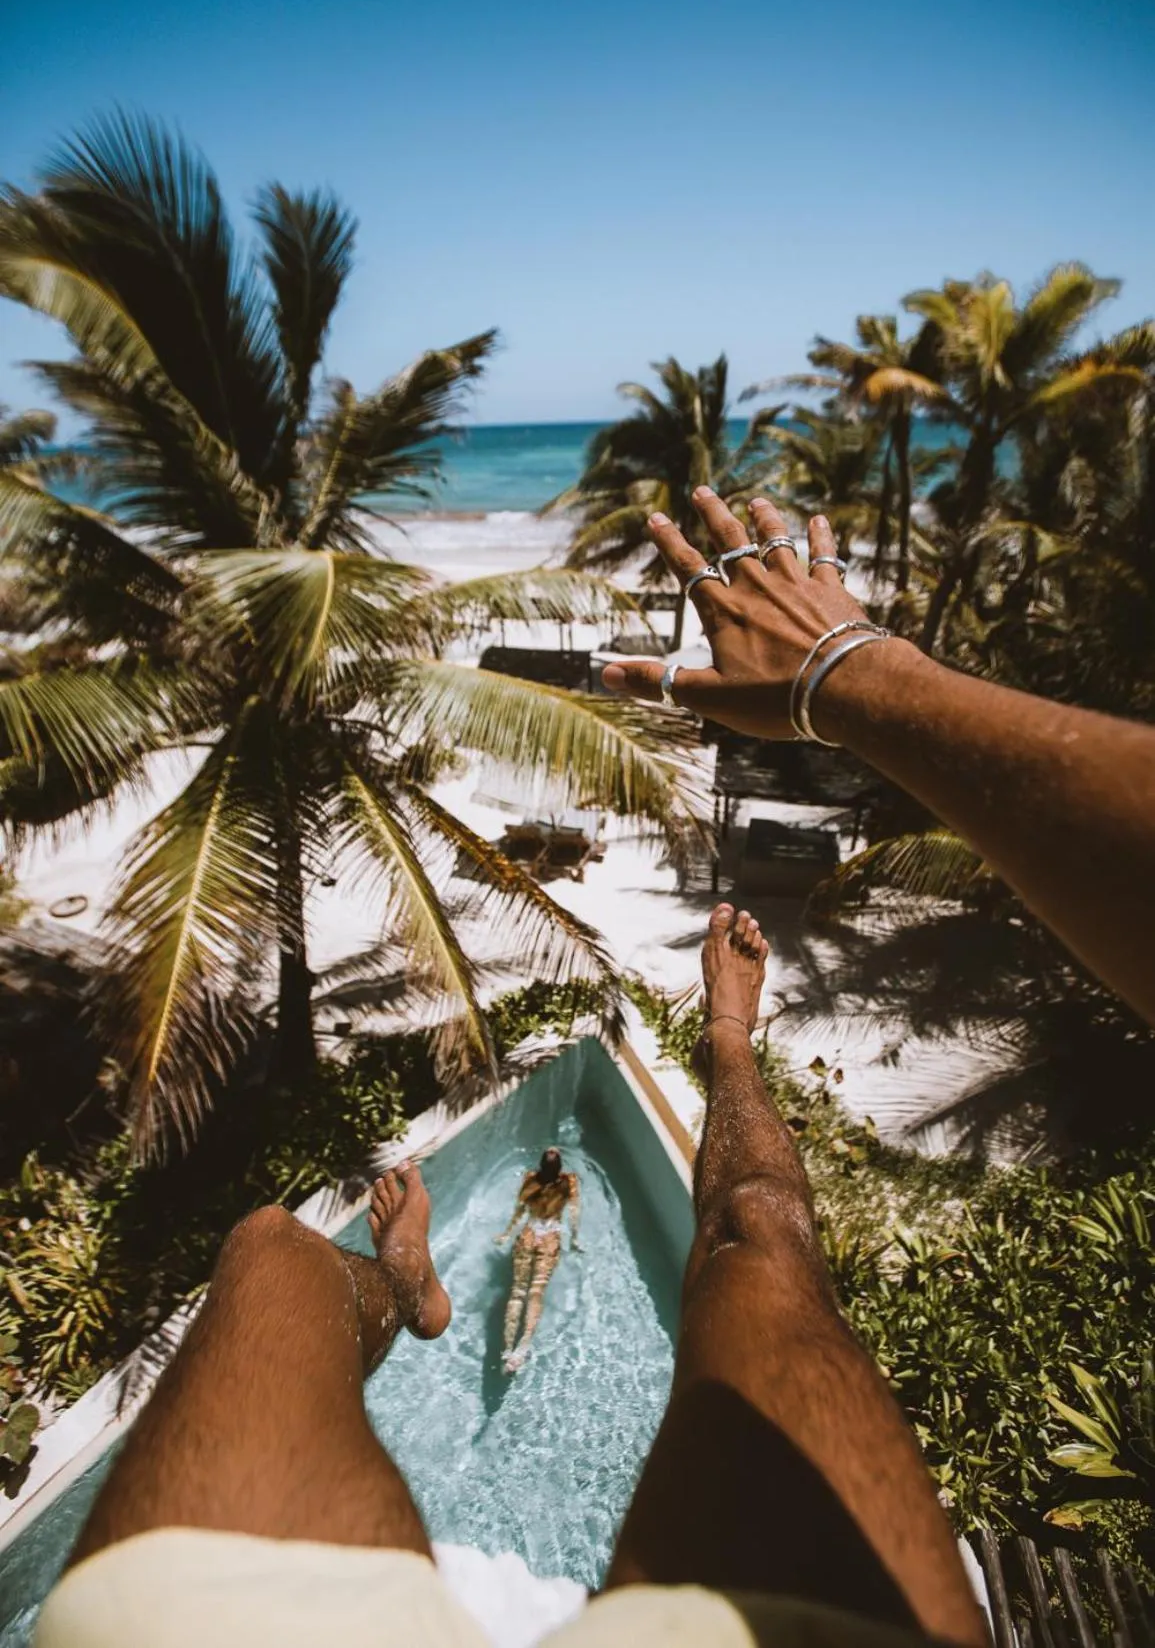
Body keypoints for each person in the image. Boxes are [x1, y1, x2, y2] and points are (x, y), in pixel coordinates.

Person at [35, 489, 1155, 1648]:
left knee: (270, 1246)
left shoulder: (544, 1192)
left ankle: (401, 1286)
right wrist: (851, 672)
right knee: (757, 1236)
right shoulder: (553, 1194)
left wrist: (847, 672)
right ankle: (724, 1044)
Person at [494, 1146, 582, 1373]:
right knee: (536, 1292)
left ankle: (507, 1350)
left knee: (517, 1292)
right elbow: (574, 1215)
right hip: (550, 1237)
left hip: (529, 1235)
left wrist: (507, 1233)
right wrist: (574, 1239)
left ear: (540, 1166)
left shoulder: (529, 1179)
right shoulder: (569, 1182)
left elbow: (520, 1209)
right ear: (560, 1168)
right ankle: (522, 1348)